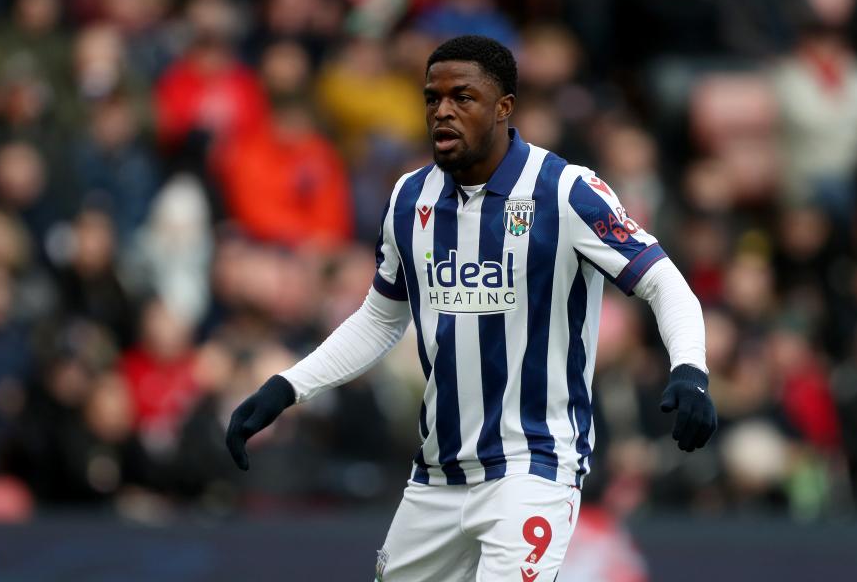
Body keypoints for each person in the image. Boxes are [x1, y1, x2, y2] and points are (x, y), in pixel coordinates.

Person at [225, 35, 717, 581]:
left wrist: (690, 369)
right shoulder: (409, 198)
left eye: (463, 97)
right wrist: (288, 386)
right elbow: (381, 318)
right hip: (437, 475)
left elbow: (665, 283)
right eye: (432, 99)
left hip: (533, 469)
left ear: (504, 106)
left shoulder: (566, 192)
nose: (443, 111)